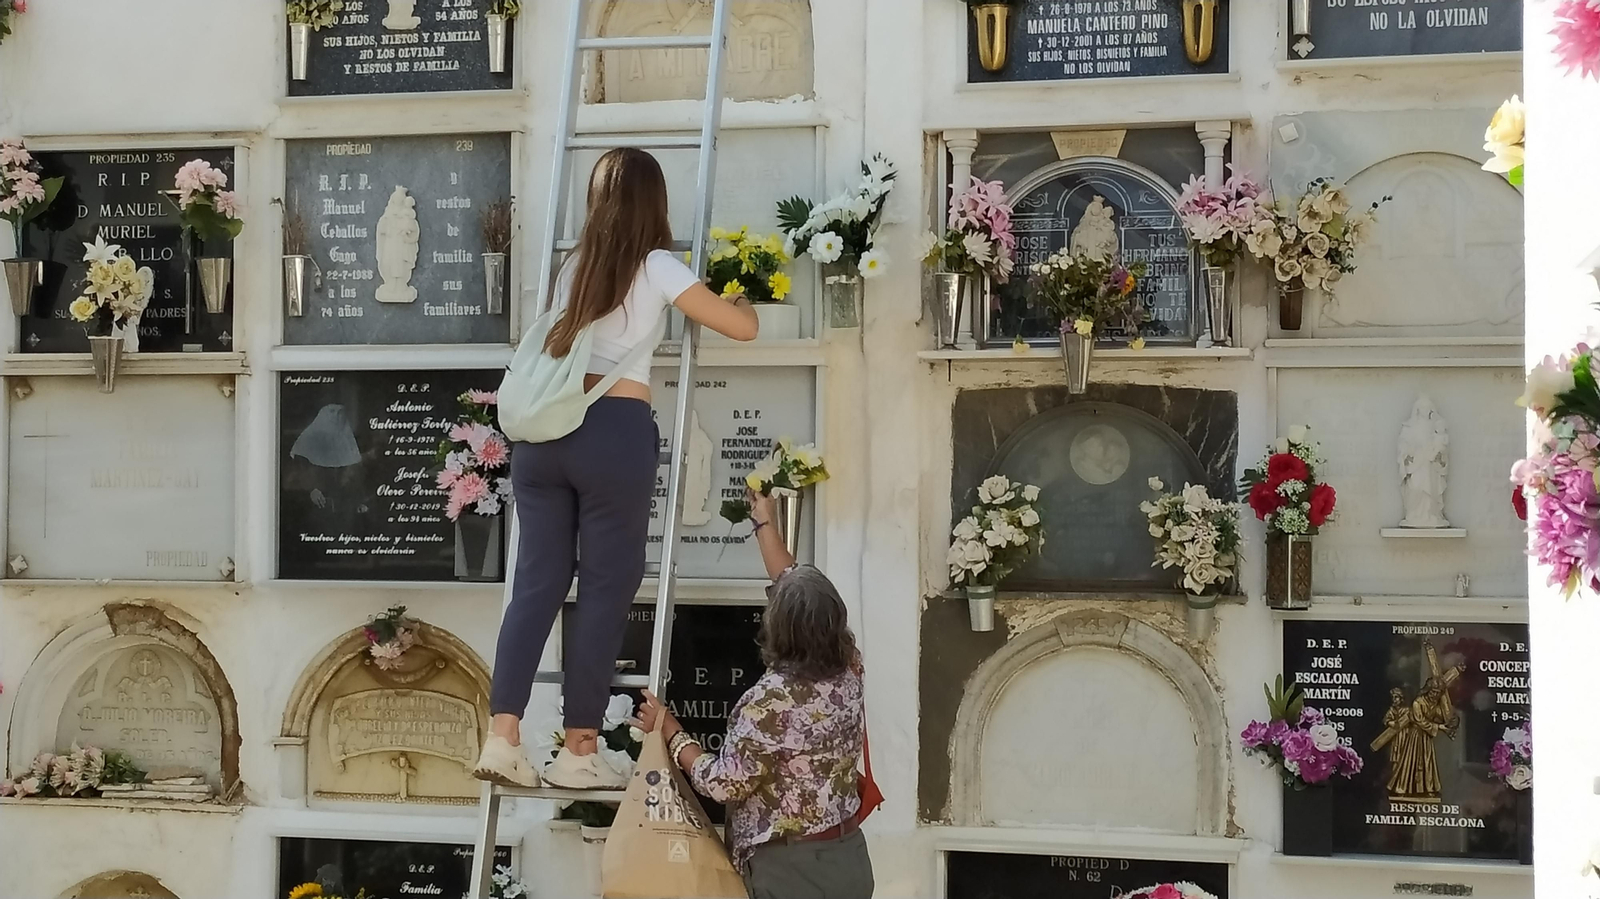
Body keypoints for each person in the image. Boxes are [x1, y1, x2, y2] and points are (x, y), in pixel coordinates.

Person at [473, 147, 760, 791]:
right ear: (655, 204)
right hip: (613, 433)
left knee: (536, 585)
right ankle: (579, 750)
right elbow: (740, 329)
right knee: (605, 587)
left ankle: (503, 735)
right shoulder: (657, 264)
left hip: (544, 437)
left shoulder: (572, 265)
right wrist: (742, 299)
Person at [635, 490, 875, 899]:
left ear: (779, 628)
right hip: (847, 858)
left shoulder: (770, 702)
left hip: (789, 873)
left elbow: (725, 784)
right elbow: (792, 586)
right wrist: (765, 523)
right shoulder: (849, 665)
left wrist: (671, 732)